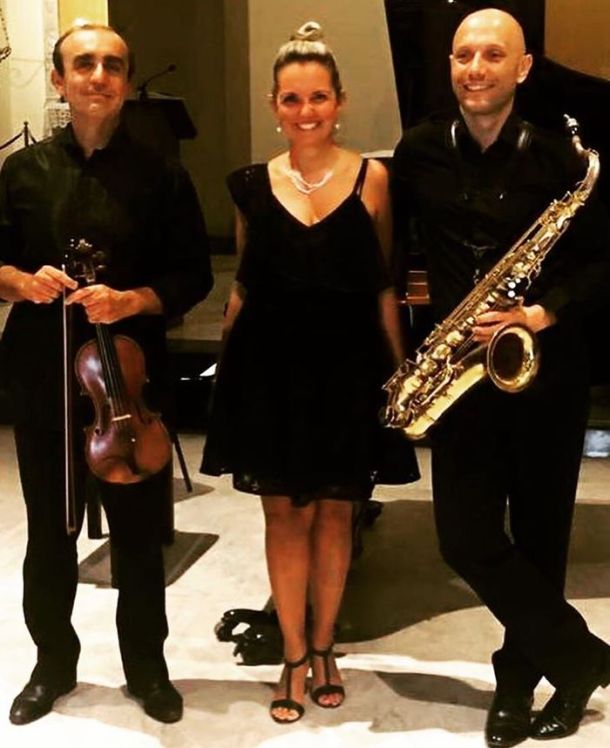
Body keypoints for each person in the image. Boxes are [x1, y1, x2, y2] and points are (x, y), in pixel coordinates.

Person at [392, 7, 610, 747]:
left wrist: (542, 311)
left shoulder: (563, 160)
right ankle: (581, 658)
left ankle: (519, 685)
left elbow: (603, 262)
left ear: (523, 68)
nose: (475, 69)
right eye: (463, 55)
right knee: (464, 537)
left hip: (546, 371)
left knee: (543, 537)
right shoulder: (419, 150)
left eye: (493, 55)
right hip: (461, 373)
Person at [201, 21, 418, 724]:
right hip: (270, 370)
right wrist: (224, 375)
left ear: (339, 101)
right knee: (284, 516)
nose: (306, 110)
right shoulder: (248, 185)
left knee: (335, 514)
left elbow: (383, 285)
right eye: (291, 99)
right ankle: (294, 655)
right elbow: (245, 288)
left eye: (318, 96)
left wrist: (400, 375)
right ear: (274, 106)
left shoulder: (374, 179)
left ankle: (325, 645)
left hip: (349, 369)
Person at [0, 24, 212, 725]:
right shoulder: (21, 173)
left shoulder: (162, 175)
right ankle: (51, 665)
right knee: (49, 532)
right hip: (43, 377)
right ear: (58, 80)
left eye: (113, 65)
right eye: (83, 64)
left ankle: (147, 669)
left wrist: (133, 300)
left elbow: (192, 274)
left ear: (125, 81)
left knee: (140, 536)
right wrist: (21, 282)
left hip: (129, 384)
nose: (99, 76)